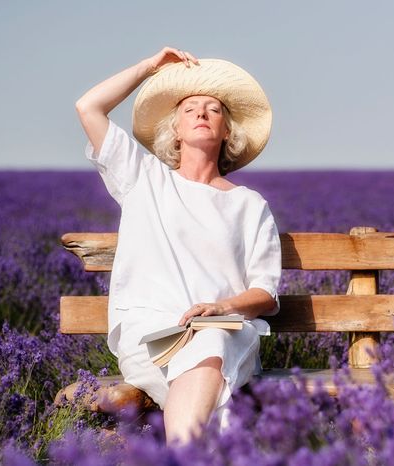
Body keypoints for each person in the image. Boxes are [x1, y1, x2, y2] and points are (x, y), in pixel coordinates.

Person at [74, 46, 281, 445]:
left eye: (213, 109)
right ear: (175, 129)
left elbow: (265, 294)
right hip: (154, 334)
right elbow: (89, 107)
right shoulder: (144, 178)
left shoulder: (249, 205)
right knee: (210, 378)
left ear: (227, 131)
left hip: (226, 331)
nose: (201, 114)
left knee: (212, 341)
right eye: (189, 109)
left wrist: (223, 307)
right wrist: (149, 67)